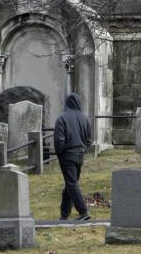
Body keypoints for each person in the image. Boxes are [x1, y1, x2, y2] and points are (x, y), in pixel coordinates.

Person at [54, 92, 93, 220]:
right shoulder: (84, 118)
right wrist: (83, 150)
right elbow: (89, 139)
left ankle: (83, 211)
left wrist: (60, 153)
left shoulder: (62, 118)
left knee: (71, 183)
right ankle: (64, 214)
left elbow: (59, 141)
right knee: (70, 184)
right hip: (80, 155)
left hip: (67, 155)